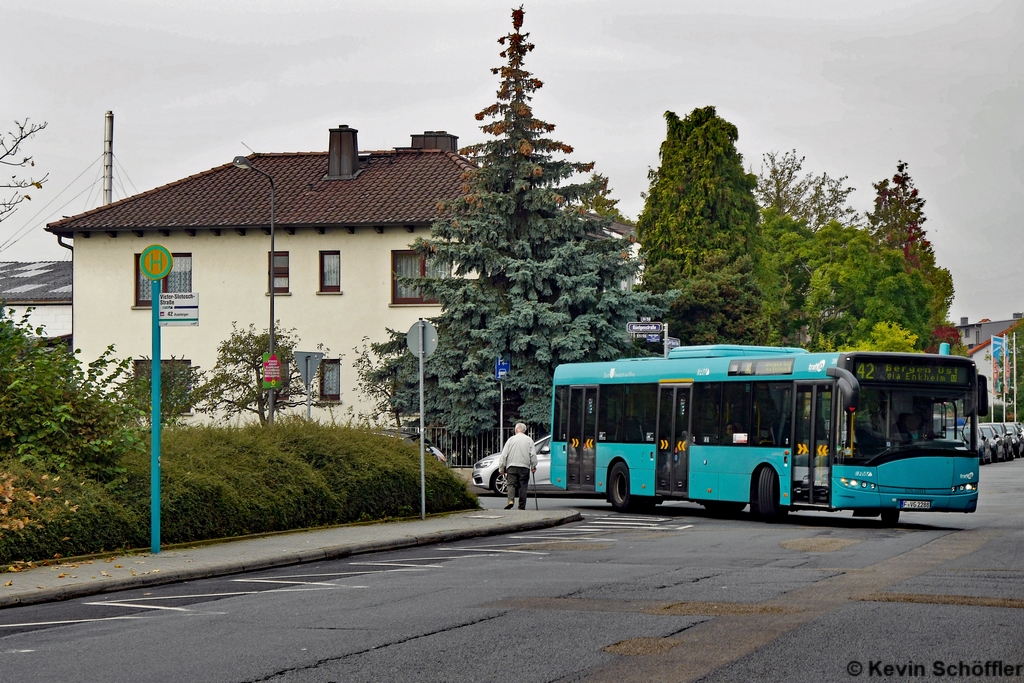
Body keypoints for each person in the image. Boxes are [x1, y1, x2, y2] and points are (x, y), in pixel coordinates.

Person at [498, 422, 537, 510]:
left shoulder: (511, 440)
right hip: (524, 467)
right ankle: (521, 506)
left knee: (511, 484)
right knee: (523, 486)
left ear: (516, 430)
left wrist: (501, 468)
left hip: (511, 466)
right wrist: (533, 466)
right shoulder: (529, 440)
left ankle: (510, 500)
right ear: (525, 431)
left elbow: (504, 455)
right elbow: (533, 455)